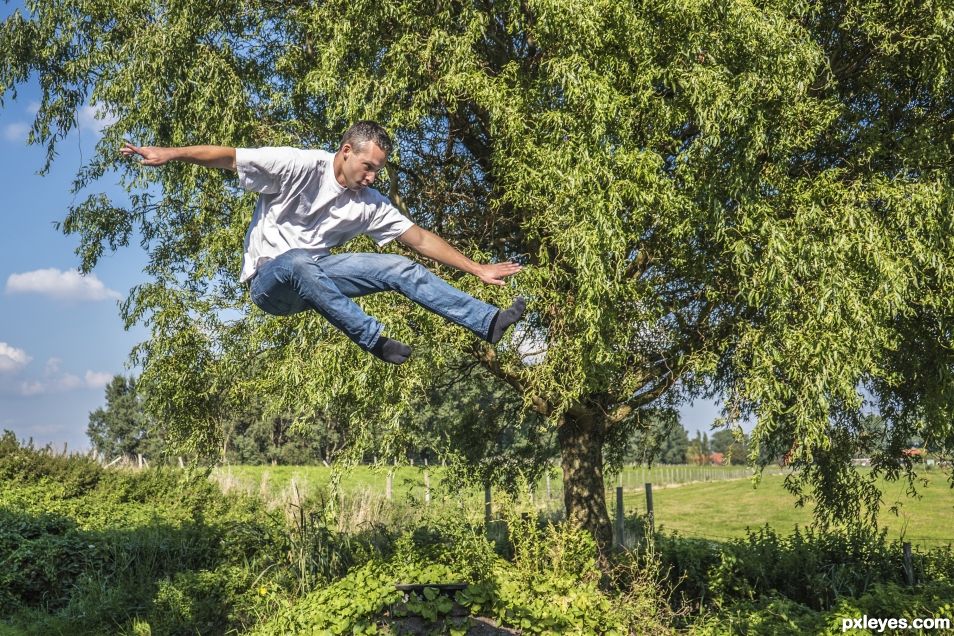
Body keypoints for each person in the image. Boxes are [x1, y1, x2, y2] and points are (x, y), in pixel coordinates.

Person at [120, 120, 526, 365]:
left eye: (377, 172)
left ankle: (486, 322)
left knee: (399, 268)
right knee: (297, 261)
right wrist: (169, 154)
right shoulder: (297, 165)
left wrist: (477, 268)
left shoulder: (368, 202)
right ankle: (373, 339)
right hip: (270, 284)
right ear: (346, 151)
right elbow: (228, 156)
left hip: (317, 278)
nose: (371, 179)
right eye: (367, 167)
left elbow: (417, 238)